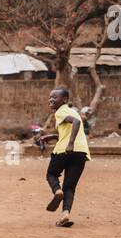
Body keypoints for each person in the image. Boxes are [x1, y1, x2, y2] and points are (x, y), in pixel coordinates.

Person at [37, 87, 90, 227]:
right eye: (50, 97)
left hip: (65, 150)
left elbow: (76, 123)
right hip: (81, 152)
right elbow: (72, 128)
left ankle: (57, 191)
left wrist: (70, 144)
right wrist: (53, 136)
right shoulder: (73, 111)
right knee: (70, 187)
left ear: (64, 100)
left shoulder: (60, 112)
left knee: (51, 174)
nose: (51, 100)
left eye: (55, 97)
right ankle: (65, 215)